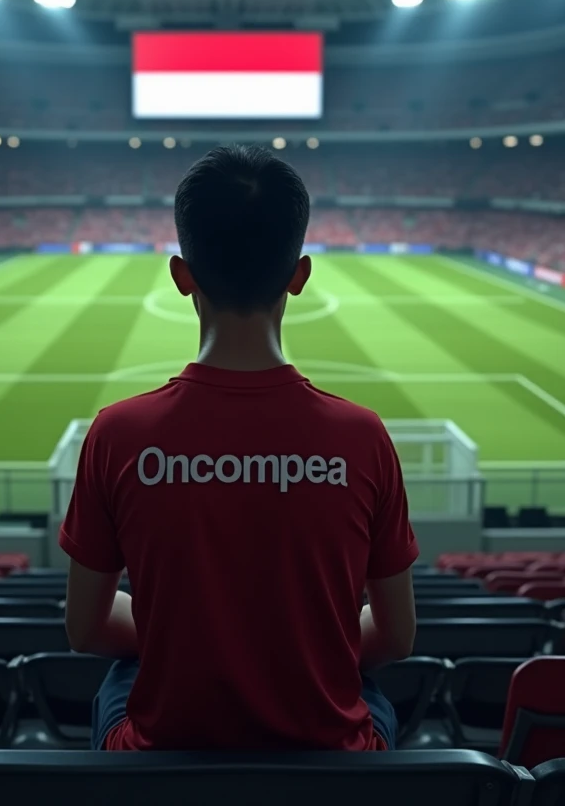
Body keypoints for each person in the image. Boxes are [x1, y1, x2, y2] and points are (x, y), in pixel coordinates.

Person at [59, 144, 418, 752]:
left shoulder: (118, 433)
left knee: (120, 676)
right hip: (334, 765)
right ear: (300, 276)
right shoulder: (362, 436)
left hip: (161, 763)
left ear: (181, 276)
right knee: (371, 694)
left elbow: (86, 628)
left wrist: (199, 637)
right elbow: (395, 636)